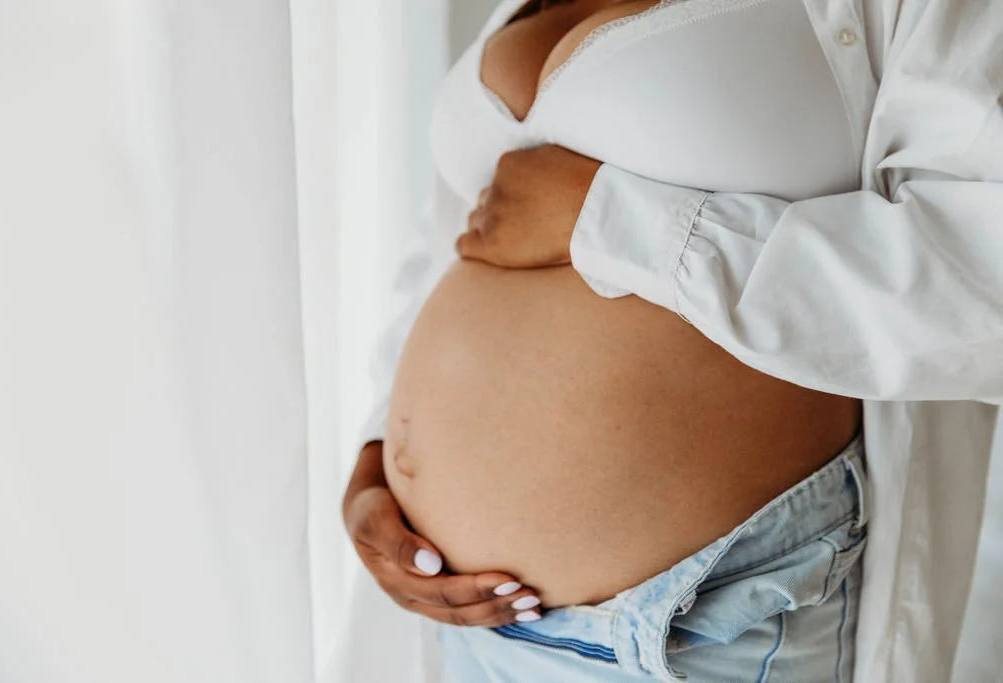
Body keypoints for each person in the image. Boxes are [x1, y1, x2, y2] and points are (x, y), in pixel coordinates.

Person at [342, 1, 1003, 681]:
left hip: (697, 632)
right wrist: (377, 451)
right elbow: (471, 221)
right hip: (475, 626)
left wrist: (605, 220)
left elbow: (982, 289)